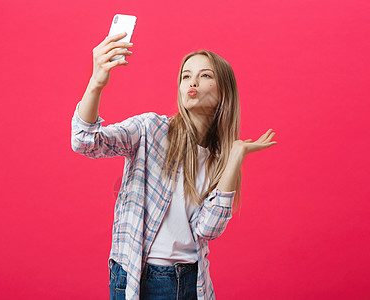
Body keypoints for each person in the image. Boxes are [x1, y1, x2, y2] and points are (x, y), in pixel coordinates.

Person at [71, 32, 277, 300]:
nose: (192, 81)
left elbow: (208, 230)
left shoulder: (220, 156)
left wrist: (235, 157)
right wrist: (97, 81)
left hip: (192, 280)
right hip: (140, 278)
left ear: (224, 90)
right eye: (186, 75)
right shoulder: (151, 129)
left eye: (205, 75)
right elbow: (85, 141)